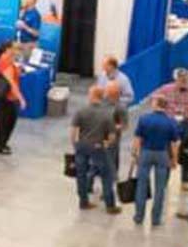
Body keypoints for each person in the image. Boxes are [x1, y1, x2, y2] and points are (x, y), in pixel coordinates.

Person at [127, 96, 179, 226]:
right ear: (165, 106)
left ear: (155, 104)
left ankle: (139, 216)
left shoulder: (144, 119)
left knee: (141, 185)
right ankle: (155, 219)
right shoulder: (171, 122)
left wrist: (134, 154)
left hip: (145, 153)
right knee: (160, 188)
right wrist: (174, 160)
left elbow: (138, 138)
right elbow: (174, 144)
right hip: (162, 154)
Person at [70, 85, 121, 214]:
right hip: (97, 146)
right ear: (102, 96)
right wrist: (106, 144)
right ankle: (110, 205)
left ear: (91, 95)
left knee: (81, 174)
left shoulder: (80, 111)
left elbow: (73, 131)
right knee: (106, 175)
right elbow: (112, 136)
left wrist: (75, 145)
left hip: (81, 146)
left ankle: (83, 202)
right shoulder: (107, 114)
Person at [0, 41, 26, 155]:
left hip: (8, 96)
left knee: (8, 120)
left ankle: (2, 143)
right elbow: (11, 82)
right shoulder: (5, 60)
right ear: (8, 49)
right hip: (6, 97)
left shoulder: (8, 59)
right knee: (5, 121)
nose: (17, 51)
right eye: (15, 49)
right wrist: (20, 98)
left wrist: (18, 70)